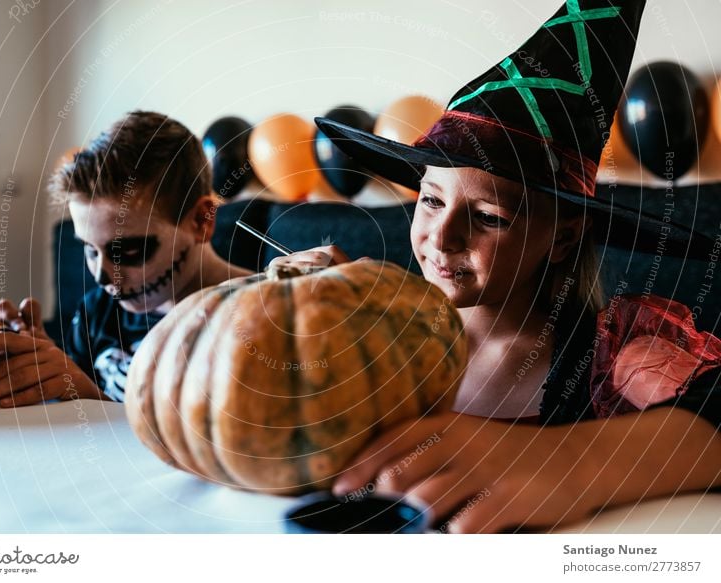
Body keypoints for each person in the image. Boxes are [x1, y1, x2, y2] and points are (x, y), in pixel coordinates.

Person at [273, 0, 721, 532]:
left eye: (489, 217)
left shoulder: (618, 356)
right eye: (431, 201)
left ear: (562, 240)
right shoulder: (373, 334)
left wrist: (572, 461)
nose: (442, 237)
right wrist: (303, 310)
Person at [0, 111, 252, 407]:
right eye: (89, 250)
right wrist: (37, 367)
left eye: (128, 251)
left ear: (201, 221)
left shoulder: (261, 318)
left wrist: (87, 395)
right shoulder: (98, 313)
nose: (101, 275)